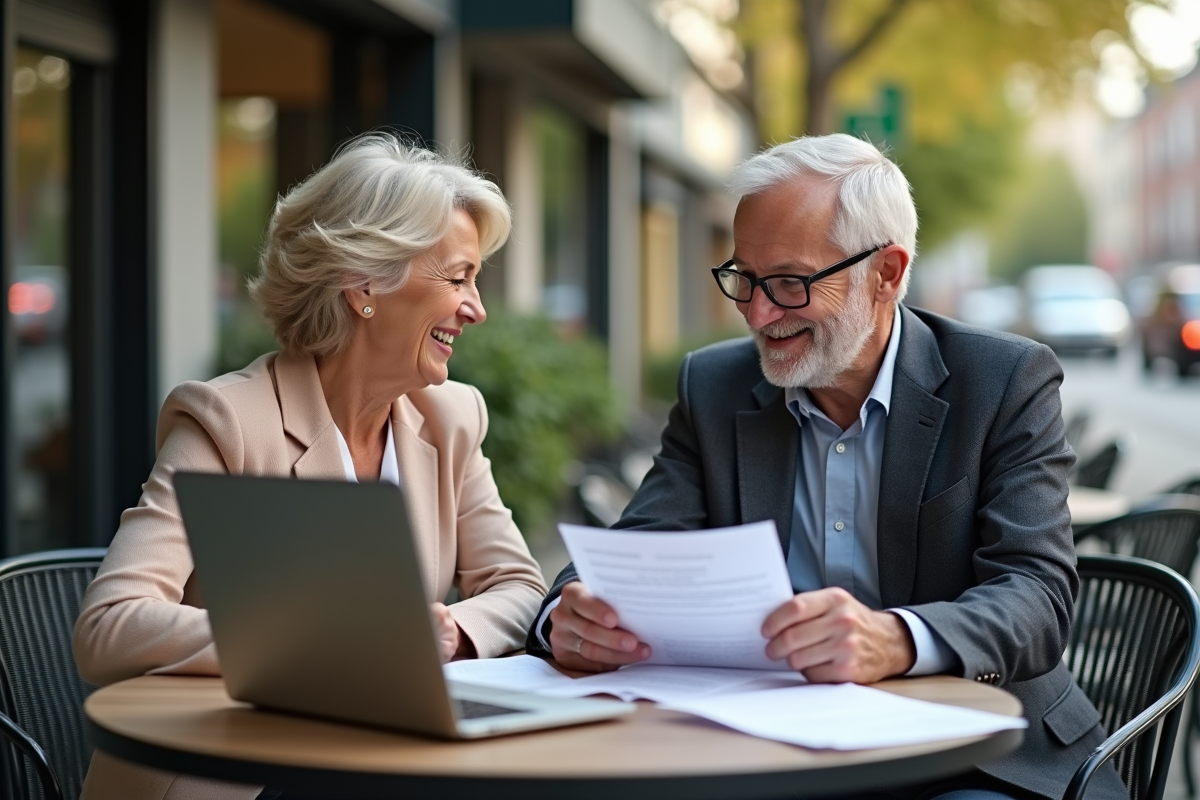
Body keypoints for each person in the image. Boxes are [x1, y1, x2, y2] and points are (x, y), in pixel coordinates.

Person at [525, 134, 1126, 800]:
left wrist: (894, 638)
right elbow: (630, 551)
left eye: (788, 283)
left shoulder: (1003, 380)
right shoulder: (715, 386)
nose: (758, 313)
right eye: (744, 280)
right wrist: (567, 618)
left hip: (975, 757)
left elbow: (1037, 596)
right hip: (763, 751)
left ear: (887, 274)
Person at [74, 134, 548, 800]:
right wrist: (328, 643)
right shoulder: (229, 422)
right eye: (457, 277)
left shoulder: (452, 418)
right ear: (364, 285)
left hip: (389, 759)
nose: (477, 307)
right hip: (239, 776)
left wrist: (451, 633)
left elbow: (521, 587)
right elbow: (110, 625)